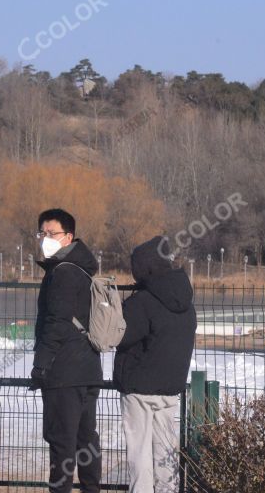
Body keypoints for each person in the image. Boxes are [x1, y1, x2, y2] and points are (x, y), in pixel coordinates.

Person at [114, 236, 197, 493]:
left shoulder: (142, 302)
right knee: (166, 450)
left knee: (139, 452)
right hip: (171, 387)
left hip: (139, 387)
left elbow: (122, 336)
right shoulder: (186, 303)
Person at [31, 208, 103, 493]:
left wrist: (42, 365)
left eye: (52, 234)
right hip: (88, 368)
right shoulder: (82, 270)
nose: (45, 239)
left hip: (64, 372)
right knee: (86, 439)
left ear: (68, 236)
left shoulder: (61, 273)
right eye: (42, 233)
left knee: (61, 441)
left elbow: (56, 323)